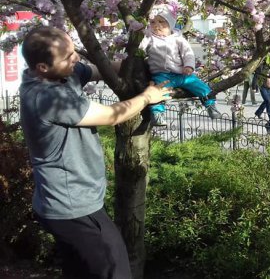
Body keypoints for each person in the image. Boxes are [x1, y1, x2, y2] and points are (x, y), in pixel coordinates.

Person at [19, 26, 172, 279]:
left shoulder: (62, 74)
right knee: (115, 270)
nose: (76, 58)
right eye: (67, 57)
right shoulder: (46, 97)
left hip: (60, 202)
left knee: (81, 271)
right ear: (42, 68)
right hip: (72, 207)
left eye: (72, 51)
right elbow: (111, 116)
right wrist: (147, 97)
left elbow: (100, 68)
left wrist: (142, 64)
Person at [140, 5, 221, 123]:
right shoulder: (150, 37)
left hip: (181, 73)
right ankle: (157, 114)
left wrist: (188, 66)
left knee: (198, 85)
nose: (157, 25)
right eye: (153, 22)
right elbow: (141, 48)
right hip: (162, 74)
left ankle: (210, 105)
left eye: (161, 22)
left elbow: (187, 53)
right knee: (159, 90)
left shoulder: (178, 38)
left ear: (170, 23)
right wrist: (142, 35)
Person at [253, 63, 270, 132]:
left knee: (266, 101)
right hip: (263, 87)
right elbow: (256, 76)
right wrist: (254, 86)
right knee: (268, 101)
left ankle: (258, 112)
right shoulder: (261, 66)